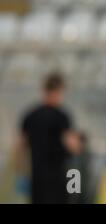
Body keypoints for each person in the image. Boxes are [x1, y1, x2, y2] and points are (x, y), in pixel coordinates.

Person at [14, 72, 82, 204]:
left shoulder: (30, 115)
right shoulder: (61, 116)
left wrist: (22, 173)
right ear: (58, 91)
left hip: (36, 178)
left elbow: (19, 146)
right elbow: (73, 146)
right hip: (57, 179)